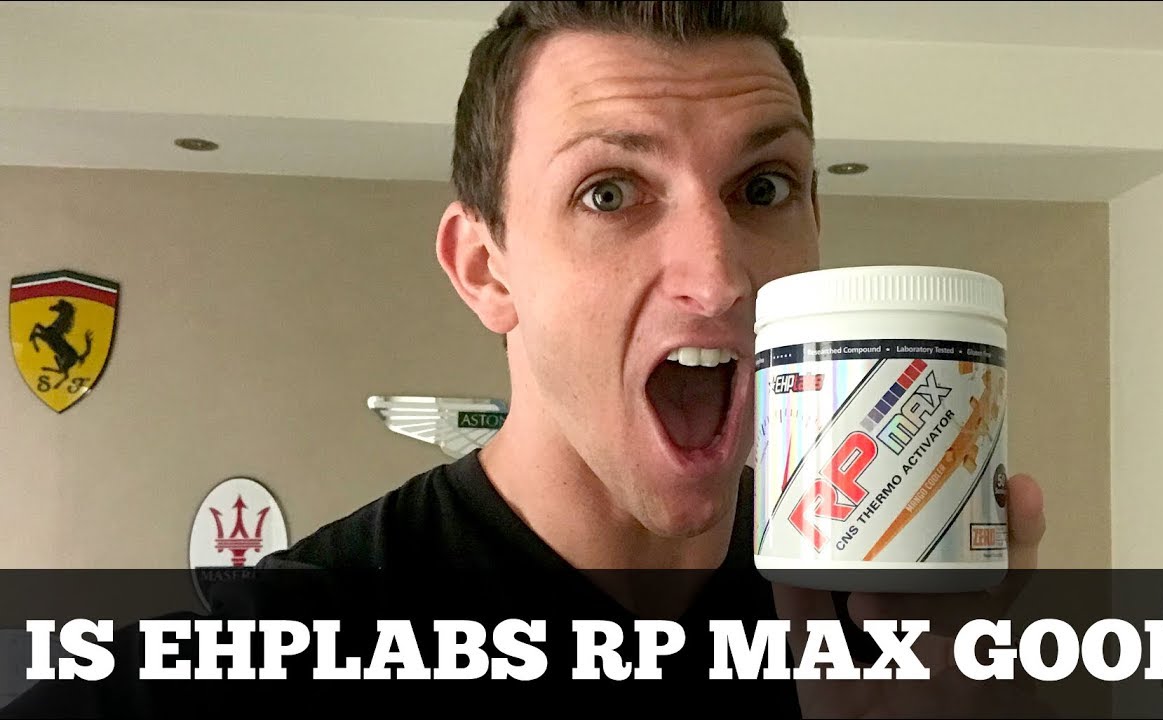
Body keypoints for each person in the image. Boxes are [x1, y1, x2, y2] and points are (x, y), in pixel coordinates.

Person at [2, 2, 1048, 717]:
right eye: (608, 192)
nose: (720, 276)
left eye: (762, 188)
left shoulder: (890, 633)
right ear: (483, 268)